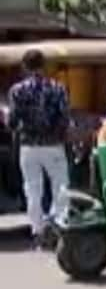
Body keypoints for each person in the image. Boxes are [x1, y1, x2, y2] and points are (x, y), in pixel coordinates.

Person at [6, 49, 70, 248]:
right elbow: (64, 117)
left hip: (28, 146)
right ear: (44, 66)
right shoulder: (58, 88)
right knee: (60, 185)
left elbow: (13, 122)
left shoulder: (17, 91)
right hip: (53, 145)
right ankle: (59, 224)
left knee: (32, 189)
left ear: (24, 67)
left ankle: (38, 231)